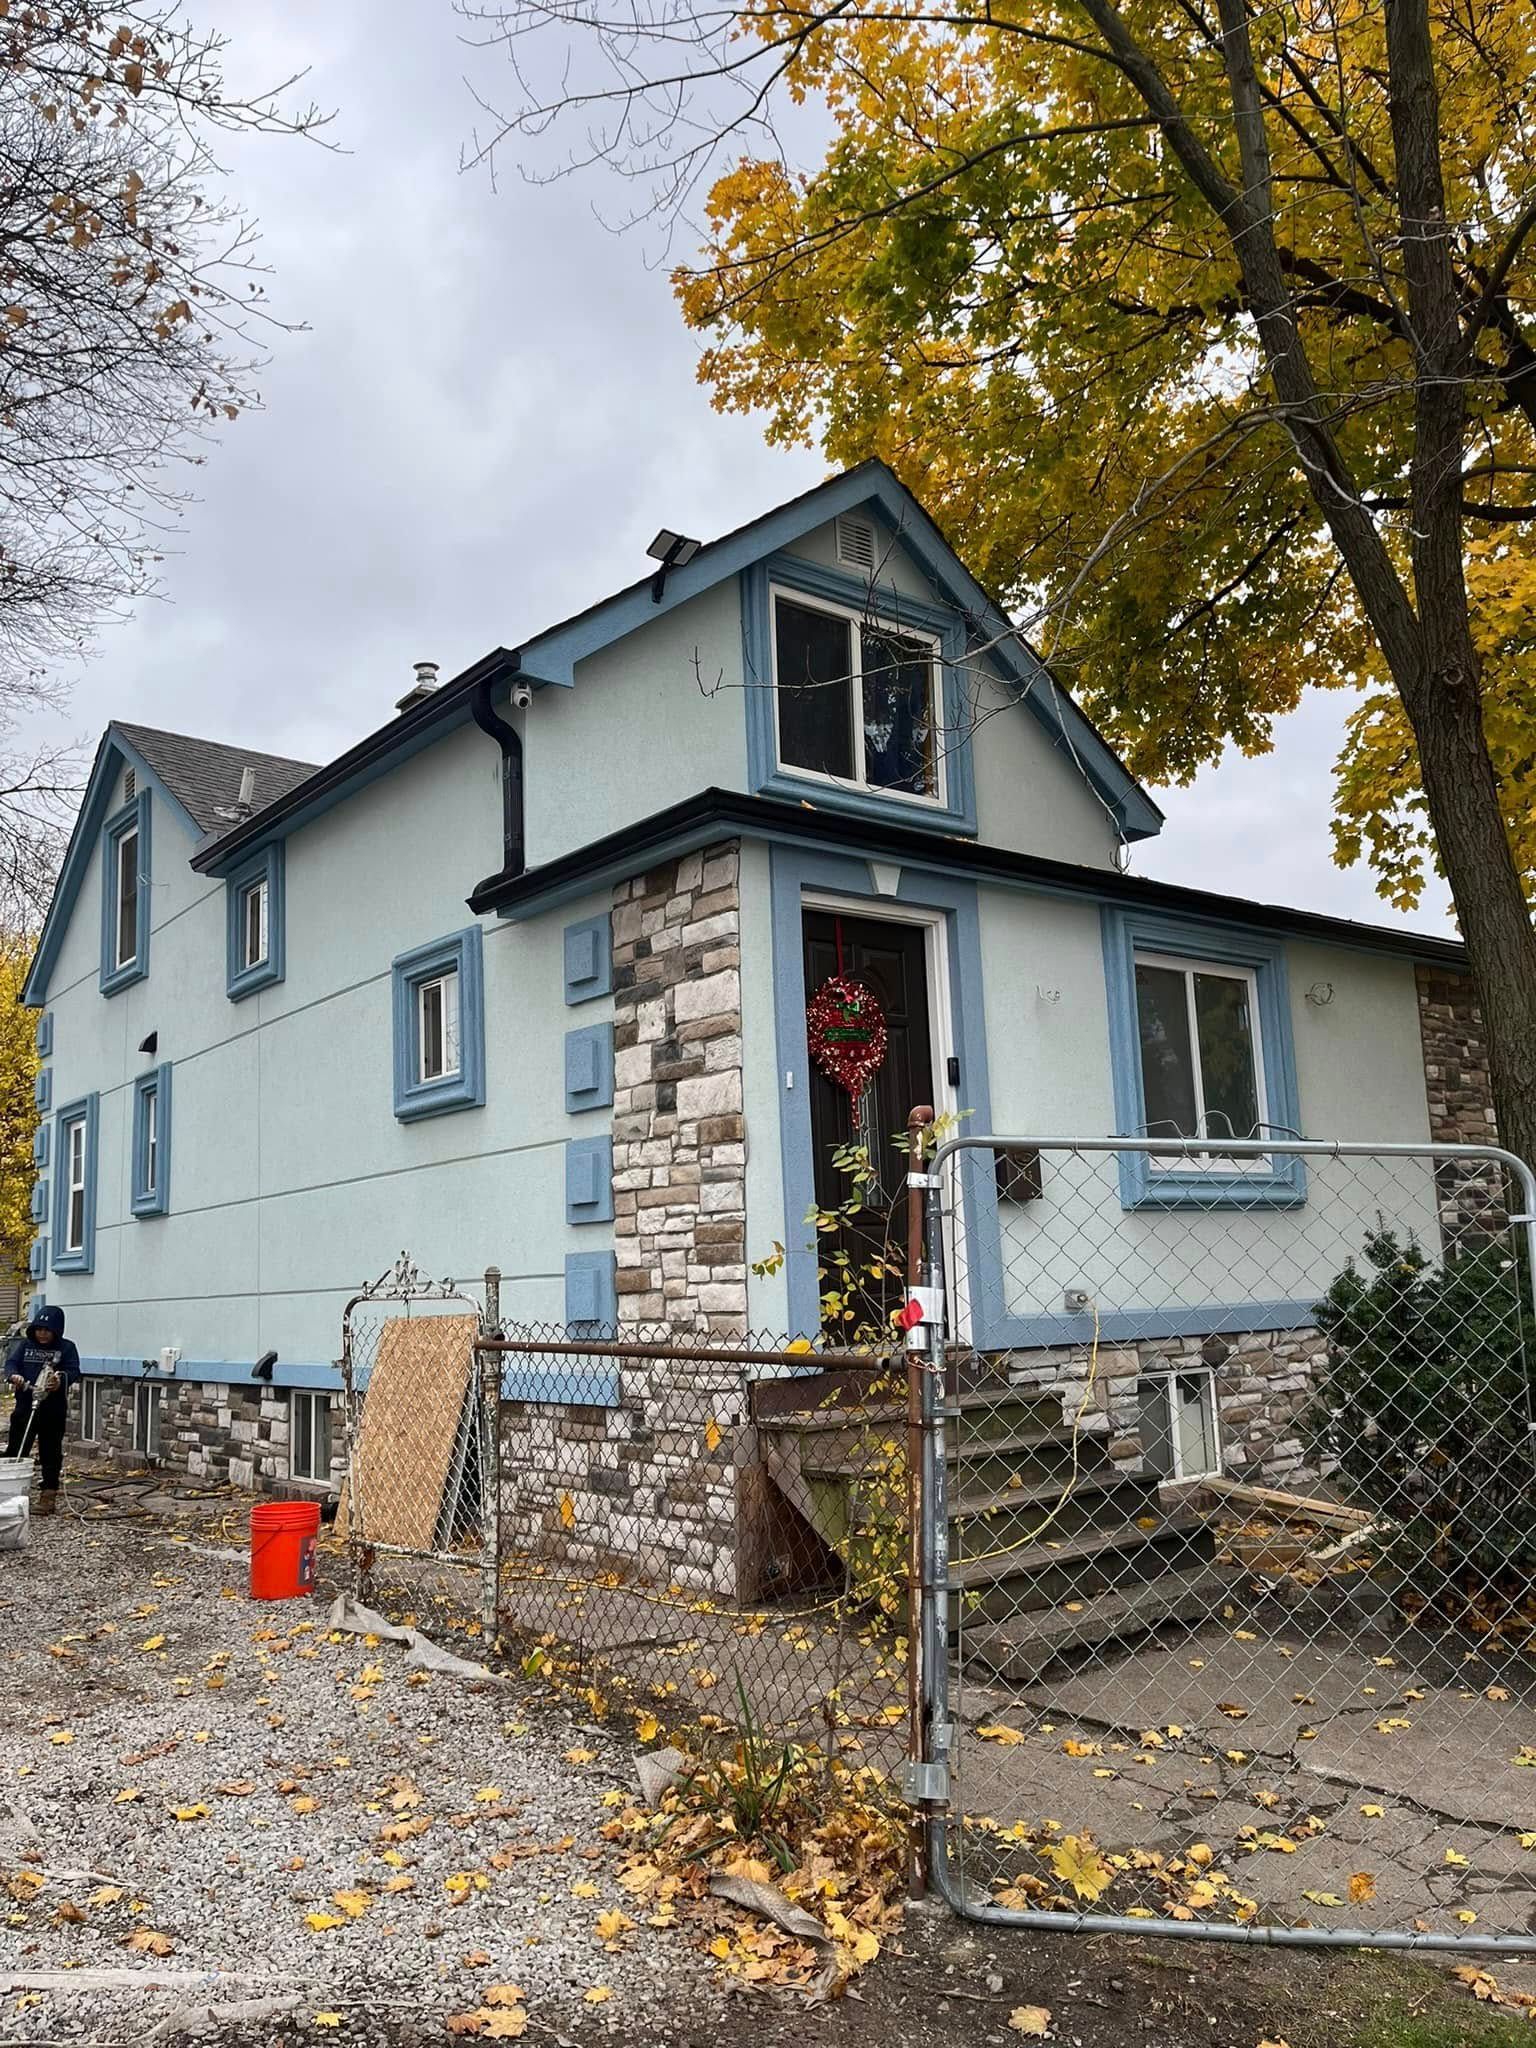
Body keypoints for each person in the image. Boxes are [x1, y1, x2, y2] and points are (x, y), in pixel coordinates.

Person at [5, 1307, 81, 1515]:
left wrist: (59, 1381)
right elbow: (11, 1364)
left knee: (50, 1452)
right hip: (25, 1406)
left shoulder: (66, 1348)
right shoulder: (24, 1346)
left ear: (57, 1330)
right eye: (39, 1329)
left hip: (52, 1410)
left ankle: (48, 1494)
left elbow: (74, 1371)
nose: (43, 1334)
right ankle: (9, 1493)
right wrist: (14, 1376)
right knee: (16, 1449)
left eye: (47, 1330)